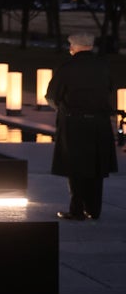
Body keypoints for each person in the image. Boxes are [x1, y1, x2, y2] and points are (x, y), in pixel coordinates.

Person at [46, 32, 118, 221]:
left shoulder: (67, 68)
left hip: (74, 123)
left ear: (75, 47)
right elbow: (109, 89)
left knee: (75, 167)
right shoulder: (103, 66)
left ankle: (77, 210)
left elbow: (52, 96)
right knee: (96, 167)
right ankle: (94, 210)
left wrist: (61, 108)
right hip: (100, 123)